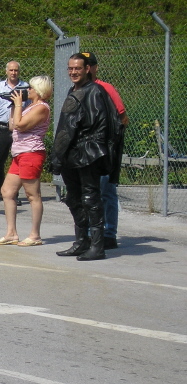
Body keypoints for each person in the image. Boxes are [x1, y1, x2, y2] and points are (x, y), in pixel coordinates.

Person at [50, 53, 112, 261]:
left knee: (90, 199)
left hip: (87, 155)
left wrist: (89, 150)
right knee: (74, 198)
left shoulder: (94, 91)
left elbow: (98, 126)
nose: (73, 72)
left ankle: (97, 245)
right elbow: (67, 126)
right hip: (71, 155)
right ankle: (81, 241)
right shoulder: (74, 90)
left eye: (77, 68)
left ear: (87, 69)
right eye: (70, 68)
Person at [0, 76, 52, 247]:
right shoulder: (30, 106)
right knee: (7, 191)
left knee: (33, 195)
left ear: (39, 90)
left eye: (31, 88)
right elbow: (12, 125)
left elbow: (20, 125)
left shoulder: (42, 108)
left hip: (31, 153)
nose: (27, 91)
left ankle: (35, 235)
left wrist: (18, 105)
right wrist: (13, 106)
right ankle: (11, 233)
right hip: (19, 154)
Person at [83, 51, 129, 250]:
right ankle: (90, 233)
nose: (87, 68)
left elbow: (123, 117)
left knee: (106, 191)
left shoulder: (105, 88)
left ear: (94, 68)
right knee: (88, 192)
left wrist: (110, 141)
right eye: (83, 65)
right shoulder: (77, 89)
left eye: (90, 65)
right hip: (85, 150)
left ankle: (109, 233)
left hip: (104, 150)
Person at [0, 61, 29, 201]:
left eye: (16, 70)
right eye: (11, 70)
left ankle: (13, 193)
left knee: (18, 162)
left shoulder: (25, 87)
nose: (13, 73)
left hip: (19, 130)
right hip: (1, 128)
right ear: (6, 71)